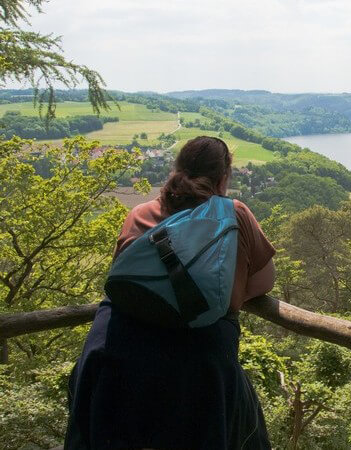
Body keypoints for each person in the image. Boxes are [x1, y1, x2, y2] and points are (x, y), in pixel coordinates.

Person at [65, 136, 276, 449]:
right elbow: (265, 282)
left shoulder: (139, 213)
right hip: (200, 363)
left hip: (115, 352)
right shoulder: (234, 213)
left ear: (176, 170)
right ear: (223, 178)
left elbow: (122, 280)